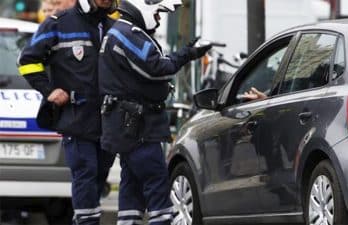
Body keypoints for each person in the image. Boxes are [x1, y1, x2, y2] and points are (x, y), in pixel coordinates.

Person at [98, 0, 211, 224]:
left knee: (132, 184)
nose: (159, 21)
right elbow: (157, 68)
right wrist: (188, 53)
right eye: (158, 14)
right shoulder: (126, 33)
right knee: (157, 183)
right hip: (137, 127)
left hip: (128, 125)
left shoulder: (123, 31)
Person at [18, 0, 118, 224]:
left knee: (98, 180)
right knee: (86, 174)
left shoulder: (116, 29)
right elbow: (27, 60)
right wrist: (49, 90)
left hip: (108, 122)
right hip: (76, 119)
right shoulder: (58, 24)